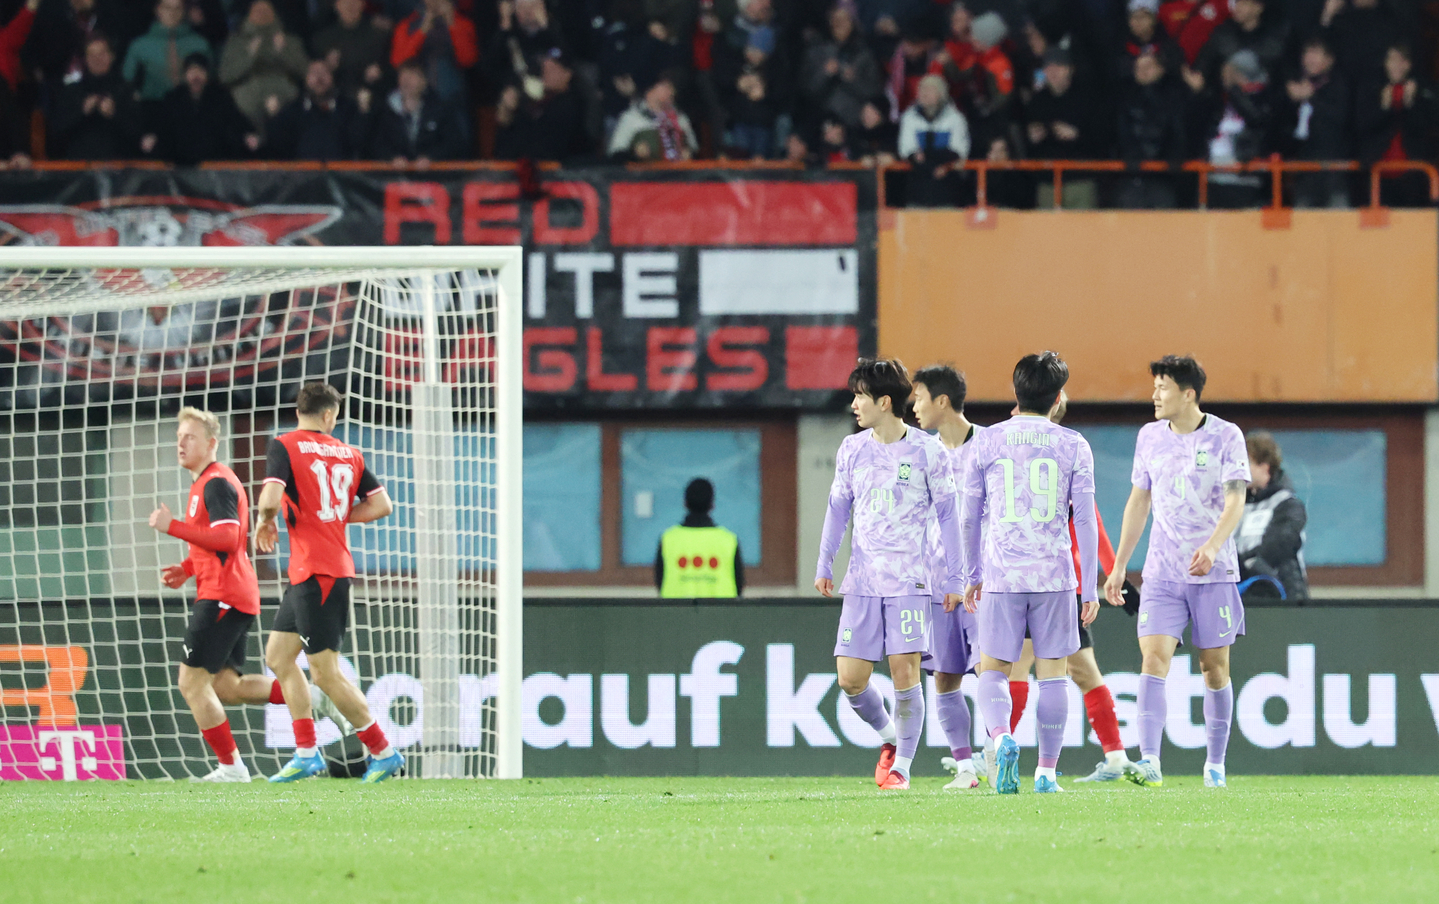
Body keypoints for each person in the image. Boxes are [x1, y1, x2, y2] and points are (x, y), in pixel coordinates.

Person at [815, 357, 963, 792]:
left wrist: (955, 577)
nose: (854, 404)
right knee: (850, 679)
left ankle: (903, 768)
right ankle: (888, 739)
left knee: (905, 672)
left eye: (860, 396)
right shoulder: (852, 449)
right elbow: (838, 509)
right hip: (862, 584)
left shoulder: (927, 450)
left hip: (910, 584)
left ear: (883, 401)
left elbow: (950, 516)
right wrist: (825, 562)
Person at [1104, 355, 1250, 790]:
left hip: (1213, 572)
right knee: (1153, 658)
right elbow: (1138, 503)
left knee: (1214, 668)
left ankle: (1215, 765)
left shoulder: (1226, 436)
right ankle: (1150, 761)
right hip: (1162, 574)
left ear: (1188, 394)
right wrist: (1118, 567)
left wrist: (1212, 546)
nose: (1154, 395)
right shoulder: (1149, 437)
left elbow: (1236, 499)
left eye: (1162, 387)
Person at [961, 351, 1099, 795]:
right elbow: (1085, 521)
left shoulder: (986, 441)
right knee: (1053, 674)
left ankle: (1001, 738)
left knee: (994, 671)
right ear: (1058, 397)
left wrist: (971, 573)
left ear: (1015, 393)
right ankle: (1046, 773)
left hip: (1002, 574)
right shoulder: (1073, 443)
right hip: (1055, 576)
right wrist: (1090, 585)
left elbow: (968, 516)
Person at [256, 381, 402, 783]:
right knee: (279, 658)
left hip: (318, 574)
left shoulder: (284, 445)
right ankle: (307, 753)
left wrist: (264, 521)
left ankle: (383, 750)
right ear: (329, 415)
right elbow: (382, 505)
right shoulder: (350, 453)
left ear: (300, 410)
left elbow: (270, 496)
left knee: (324, 673)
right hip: (317, 570)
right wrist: (337, 518)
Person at [1003, 394, 1139, 784]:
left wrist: (1114, 577)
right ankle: (1115, 757)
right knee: (1082, 669)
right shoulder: (1067, 452)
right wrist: (1115, 575)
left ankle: (998, 752)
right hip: (1067, 584)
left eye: (1017, 406)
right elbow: (1093, 523)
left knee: (1020, 665)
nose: (1012, 413)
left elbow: (1088, 525)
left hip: (1046, 582)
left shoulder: (1037, 458)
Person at [145, 408, 272, 781]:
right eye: (179, 437)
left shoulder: (216, 482)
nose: (181, 444)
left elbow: (230, 539)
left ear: (212, 444)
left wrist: (174, 528)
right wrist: (186, 569)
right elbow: (212, 544)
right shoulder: (203, 483)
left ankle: (232, 769)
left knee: (190, 682)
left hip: (223, 594)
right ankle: (310, 697)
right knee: (226, 687)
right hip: (231, 592)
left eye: (190, 437)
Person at [910, 364, 984, 791]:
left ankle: (997, 752)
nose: (913, 407)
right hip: (936, 584)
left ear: (941, 400)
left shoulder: (989, 445)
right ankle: (965, 769)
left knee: (990, 671)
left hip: (982, 584)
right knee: (944, 677)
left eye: (919, 398)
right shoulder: (919, 451)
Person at [141, 53, 259, 164]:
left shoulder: (220, 96)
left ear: (207, 74)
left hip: (214, 160)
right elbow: (161, 122)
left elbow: (235, 118)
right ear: (185, 75)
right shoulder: (174, 97)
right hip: (180, 162)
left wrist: (248, 134)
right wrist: (152, 135)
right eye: (192, 72)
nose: (196, 76)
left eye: (200, 71)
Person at [218, 0, 310, 134]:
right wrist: (249, 56)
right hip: (247, 110)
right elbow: (225, 77)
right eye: (257, 11)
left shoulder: (289, 40)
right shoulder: (236, 43)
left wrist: (284, 53)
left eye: (266, 11)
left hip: (285, 105)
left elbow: (305, 72)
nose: (262, 14)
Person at [1280, 37, 1351, 208]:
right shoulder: (1295, 87)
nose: (1309, 59)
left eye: (1315, 53)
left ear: (1330, 59)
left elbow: (1341, 120)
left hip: (1333, 168)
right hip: (1303, 169)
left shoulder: (1339, 85)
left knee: (1339, 225)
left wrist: (1313, 98)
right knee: (1303, 225)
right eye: (1306, 53)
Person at [1237, 431, 1308, 601]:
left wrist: (1241, 563)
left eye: (1246, 464)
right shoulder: (1234, 505)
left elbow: (1278, 545)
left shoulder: (1288, 505)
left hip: (1280, 596)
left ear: (1265, 466)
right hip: (1240, 595)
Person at [50, 34, 139, 160]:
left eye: (102, 54)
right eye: (91, 55)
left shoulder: (126, 91)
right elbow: (56, 133)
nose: (97, 59)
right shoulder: (71, 91)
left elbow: (137, 134)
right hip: (79, 167)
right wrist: (81, 112)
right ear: (85, 59)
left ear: (112, 56)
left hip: (118, 168)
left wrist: (114, 114)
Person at [654, 478, 744, 598]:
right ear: (712, 504)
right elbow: (739, 584)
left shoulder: (668, 539)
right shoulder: (729, 540)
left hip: (676, 615)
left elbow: (660, 581)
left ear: (685, 503)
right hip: (721, 615)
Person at [265, 59, 371, 161]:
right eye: (314, 73)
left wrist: (363, 111)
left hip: (340, 176)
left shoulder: (348, 108)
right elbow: (280, 147)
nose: (319, 78)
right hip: (303, 176)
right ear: (306, 79)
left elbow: (359, 142)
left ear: (332, 77)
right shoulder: (292, 110)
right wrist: (274, 117)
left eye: (324, 73)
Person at [371, 57, 467, 163]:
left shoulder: (440, 108)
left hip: (433, 175)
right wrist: (393, 158)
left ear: (424, 81)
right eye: (403, 75)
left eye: (412, 75)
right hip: (395, 176)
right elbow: (378, 144)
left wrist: (431, 157)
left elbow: (453, 143)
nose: (406, 80)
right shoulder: (387, 109)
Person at [897, 73, 968, 206]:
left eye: (930, 90)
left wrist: (928, 158)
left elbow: (958, 150)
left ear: (941, 94)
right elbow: (906, 150)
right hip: (917, 190)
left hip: (947, 191)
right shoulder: (909, 117)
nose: (924, 93)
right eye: (922, 89)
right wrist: (931, 164)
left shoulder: (955, 118)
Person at [122, 0, 212, 104]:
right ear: (157, 10)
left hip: (195, 107)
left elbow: (212, 78)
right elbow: (126, 81)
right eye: (167, 7)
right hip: (154, 107)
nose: (172, 13)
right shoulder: (139, 46)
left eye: (178, 8)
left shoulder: (200, 44)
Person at [313, 0, 392, 105]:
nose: (351, 6)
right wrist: (328, 68)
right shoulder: (322, 40)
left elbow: (391, 68)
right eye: (345, 2)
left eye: (355, 1)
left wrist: (380, 71)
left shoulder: (379, 33)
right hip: (337, 100)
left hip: (375, 96)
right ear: (336, 5)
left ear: (363, 4)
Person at [607, 70, 696, 160]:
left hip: (679, 172)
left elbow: (694, 149)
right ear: (650, 91)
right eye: (666, 87)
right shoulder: (632, 117)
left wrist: (689, 153)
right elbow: (615, 153)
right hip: (644, 173)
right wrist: (634, 154)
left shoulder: (681, 117)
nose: (672, 91)